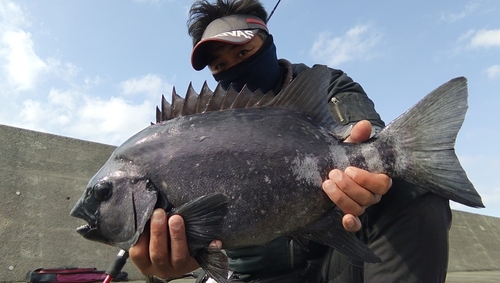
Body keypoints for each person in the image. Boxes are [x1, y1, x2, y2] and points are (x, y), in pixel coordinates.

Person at [129, 1, 451, 282]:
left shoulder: (323, 86)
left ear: (268, 44)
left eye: (243, 53)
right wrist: (165, 268)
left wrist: (364, 168)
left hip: (328, 263)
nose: (235, 69)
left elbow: (366, 132)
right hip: (247, 277)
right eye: (221, 66)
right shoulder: (195, 131)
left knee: (411, 181)